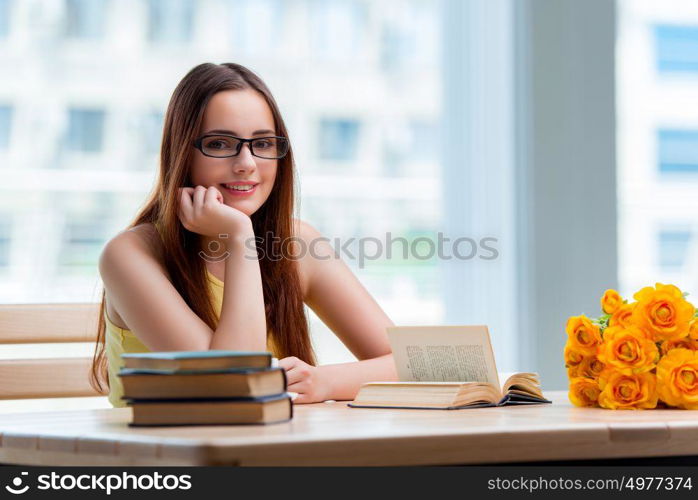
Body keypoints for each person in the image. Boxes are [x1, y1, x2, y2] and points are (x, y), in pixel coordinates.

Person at [92, 62, 398, 407]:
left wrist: (325, 381)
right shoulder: (130, 255)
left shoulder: (297, 246)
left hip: (271, 451)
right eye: (221, 144)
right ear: (181, 153)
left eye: (263, 143)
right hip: (168, 454)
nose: (247, 163)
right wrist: (239, 235)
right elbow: (230, 386)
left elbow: (415, 364)